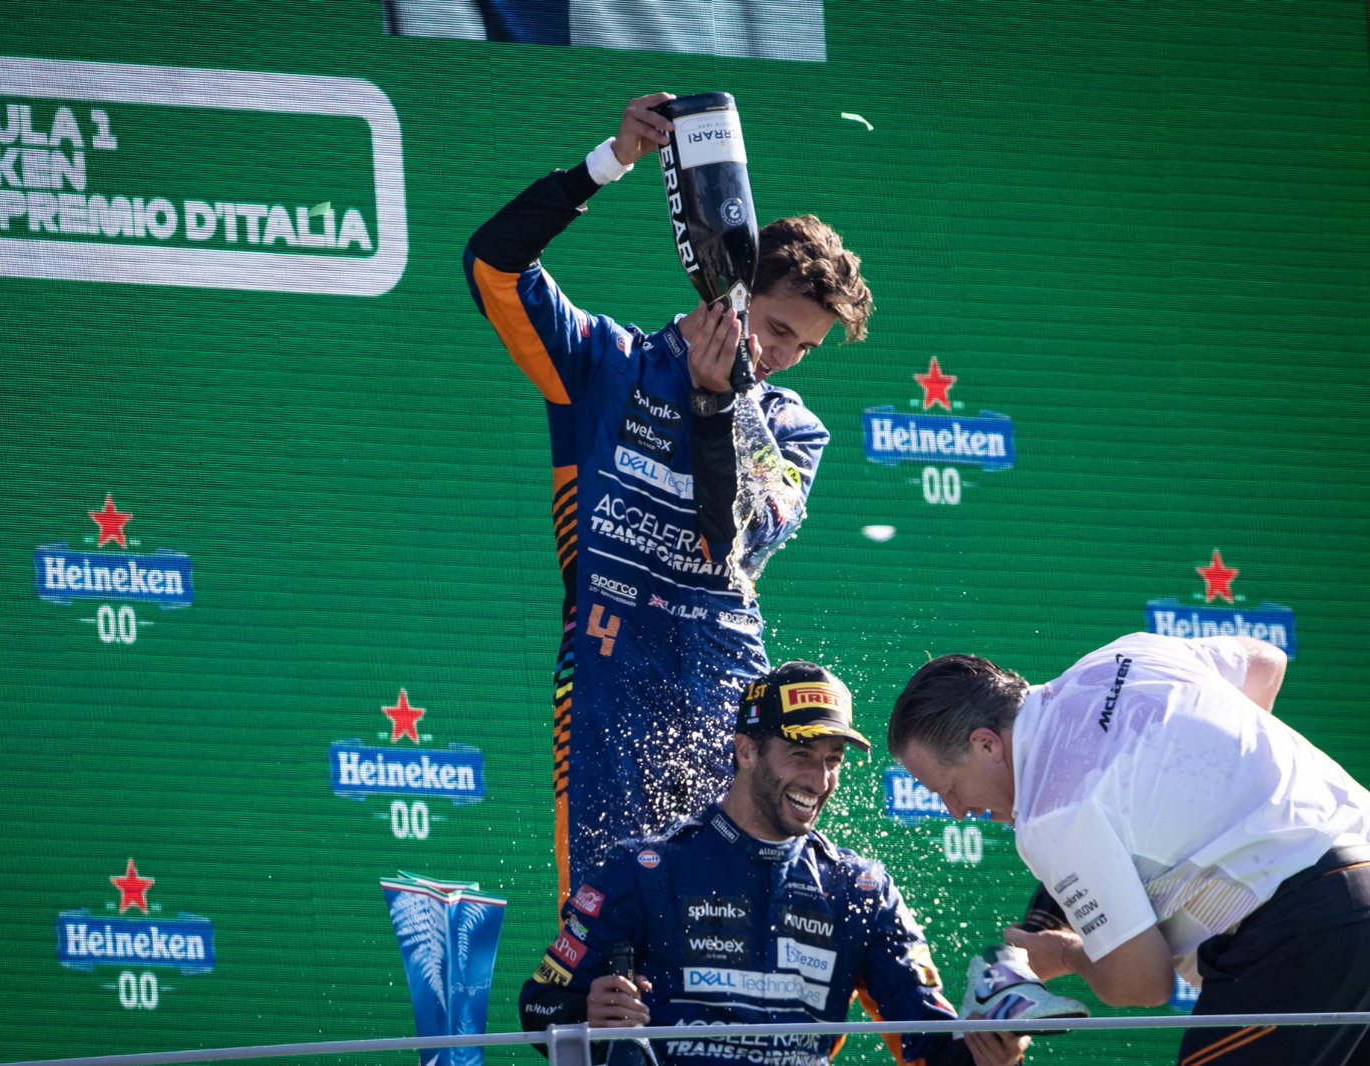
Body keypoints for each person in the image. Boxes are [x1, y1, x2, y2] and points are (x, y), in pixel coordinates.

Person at [464, 92, 874, 900]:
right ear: (729, 282)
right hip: (608, 676)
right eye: (780, 329)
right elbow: (494, 265)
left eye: (806, 346)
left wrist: (723, 404)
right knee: (609, 911)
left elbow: (735, 539)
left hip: (728, 692)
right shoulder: (603, 365)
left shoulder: (793, 428)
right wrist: (607, 162)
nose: (787, 356)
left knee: (749, 903)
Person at [518, 660, 1033, 1066]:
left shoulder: (860, 891)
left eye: (833, 759)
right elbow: (539, 1006)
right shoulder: (643, 870)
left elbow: (930, 1042)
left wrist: (993, 1053)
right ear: (745, 751)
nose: (819, 778)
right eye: (800, 753)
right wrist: (585, 1014)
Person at [889, 632, 1370, 1066]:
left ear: (986, 744)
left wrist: (1067, 955)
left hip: (1300, 934)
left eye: (947, 787)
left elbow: (1143, 983)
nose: (954, 809)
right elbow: (1265, 661)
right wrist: (1226, 788)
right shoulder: (1128, 655)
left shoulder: (1049, 815)